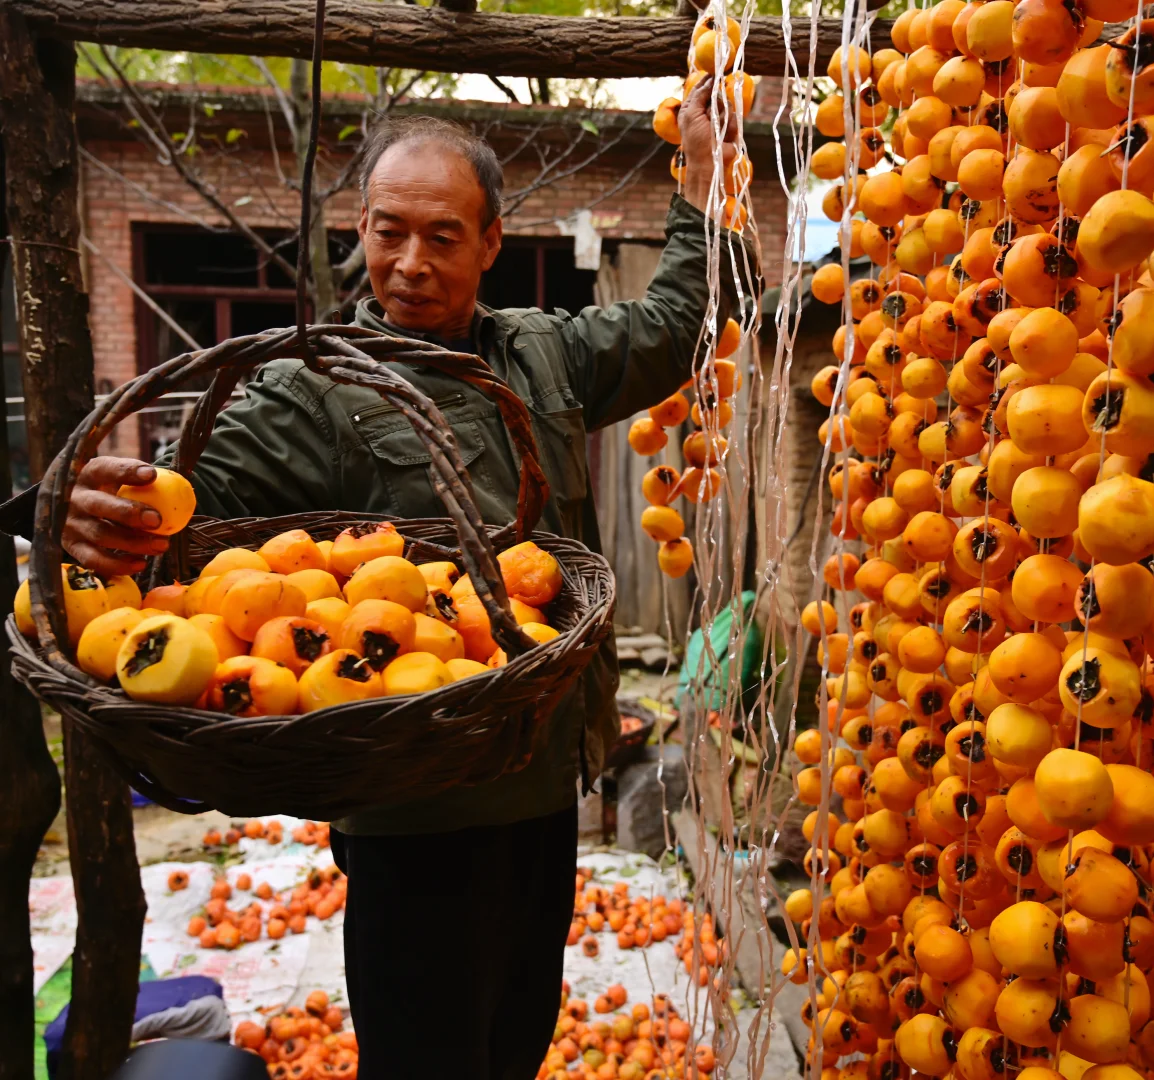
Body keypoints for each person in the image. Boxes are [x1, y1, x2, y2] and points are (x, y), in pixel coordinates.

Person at [30, 80, 747, 1080]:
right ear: (359, 230)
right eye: (387, 231)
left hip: (541, 777)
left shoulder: (541, 353)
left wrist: (702, 181)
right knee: (425, 1060)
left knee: (514, 1043)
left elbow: (675, 322)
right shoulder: (314, 385)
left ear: (491, 241)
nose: (410, 263)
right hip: (415, 808)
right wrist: (109, 511)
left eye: (442, 236)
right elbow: (191, 503)